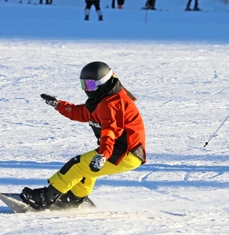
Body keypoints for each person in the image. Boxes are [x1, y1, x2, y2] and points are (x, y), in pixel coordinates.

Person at [21, 61, 146, 210]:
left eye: (90, 85)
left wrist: (103, 155)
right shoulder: (103, 99)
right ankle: (74, 198)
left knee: (78, 165)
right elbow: (81, 113)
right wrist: (59, 104)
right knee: (88, 168)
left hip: (123, 152)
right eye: (84, 85)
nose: (87, 89)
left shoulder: (112, 104)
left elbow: (110, 131)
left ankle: (45, 198)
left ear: (102, 83)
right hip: (122, 152)